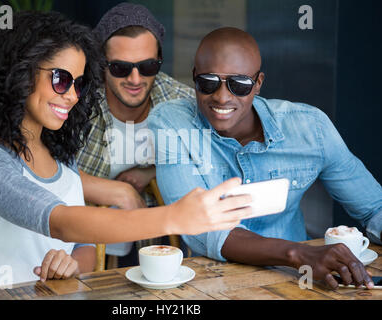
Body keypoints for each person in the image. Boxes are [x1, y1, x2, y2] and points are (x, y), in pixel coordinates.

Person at [0, 13, 251, 289]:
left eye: (79, 84)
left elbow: (81, 246)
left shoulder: (59, 156)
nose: (72, 96)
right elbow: (63, 223)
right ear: (20, 73)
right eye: (61, 80)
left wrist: (71, 265)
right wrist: (175, 216)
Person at [148, 27, 382, 290]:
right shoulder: (171, 123)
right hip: (214, 285)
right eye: (208, 82)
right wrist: (297, 254)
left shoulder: (310, 129)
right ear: (194, 77)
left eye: (239, 85)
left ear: (258, 84)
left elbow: (374, 207)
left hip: (302, 283)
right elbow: (200, 228)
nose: (222, 96)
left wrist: (302, 259)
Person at [75, 2, 195, 260]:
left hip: (155, 239)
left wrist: (150, 171)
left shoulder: (181, 103)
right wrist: (118, 191)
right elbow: (41, 171)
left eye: (148, 66)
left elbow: (212, 156)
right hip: (78, 239)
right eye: (120, 68)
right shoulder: (74, 102)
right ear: (101, 64)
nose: (135, 79)